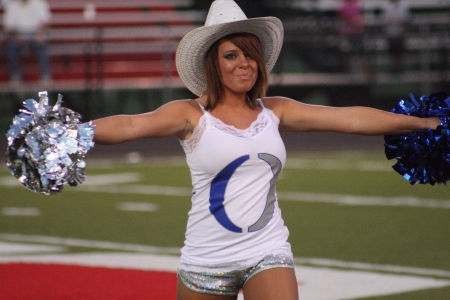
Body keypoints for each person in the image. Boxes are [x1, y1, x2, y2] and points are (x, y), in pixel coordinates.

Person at [91, 1, 440, 299]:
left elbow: (348, 118)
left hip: (267, 251)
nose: (244, 63)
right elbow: (131, 125)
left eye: (250, 55)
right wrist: (73, 134)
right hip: (205, 260)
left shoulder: (275, 110)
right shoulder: (189, 115)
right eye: (231, 55)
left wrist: (423, 124)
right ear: (213, 64)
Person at [2, 0, 52, 88]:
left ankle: (45, 76)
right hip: (18, 35)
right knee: (11, 49)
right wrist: (17, 37)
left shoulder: (39, 4)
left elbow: (45, 22)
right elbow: (8, 26)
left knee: (42, 47)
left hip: (35, 35)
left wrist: (40, 34)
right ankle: (16, 76)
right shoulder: (12, 6)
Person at [338, 0, 371, 77]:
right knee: (350, 54)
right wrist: (356, 21)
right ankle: (350, 74)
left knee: (362, 53)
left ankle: (366, 73)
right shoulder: (344, 6)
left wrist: (362, 21)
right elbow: (344, 19)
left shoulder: (358, 5)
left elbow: (362, 17)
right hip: (349, 33)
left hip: (358, 33)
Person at [383, 0, 410, 73]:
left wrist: (397, 21)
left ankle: (400, 68)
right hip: (390, 34)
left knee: (400, 52)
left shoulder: (403, 6)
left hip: (400, 34)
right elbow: (385, 19)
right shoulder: (387, 7)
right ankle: (394, 68)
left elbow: (405, 19)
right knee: (392, 52)